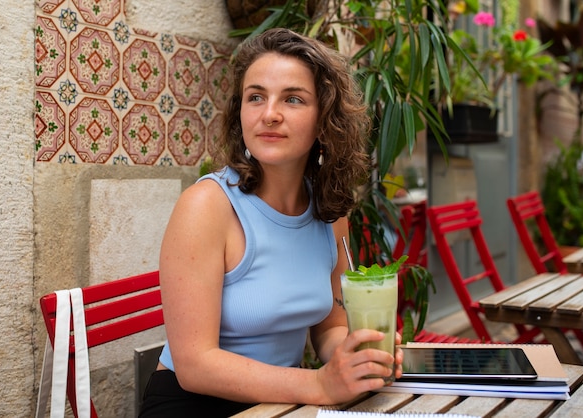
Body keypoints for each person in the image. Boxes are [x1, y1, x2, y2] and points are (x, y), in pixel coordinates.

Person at [139, 28, 403, 417]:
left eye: (293, 99)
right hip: (196, 406)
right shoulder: (206, 207)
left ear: (325, 120)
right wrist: (320, 383)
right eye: (256, 97)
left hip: (284, 404)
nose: (269, 114)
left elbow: (330, 325)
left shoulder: (330, 212)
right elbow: (194, 366)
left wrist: (357, 357)